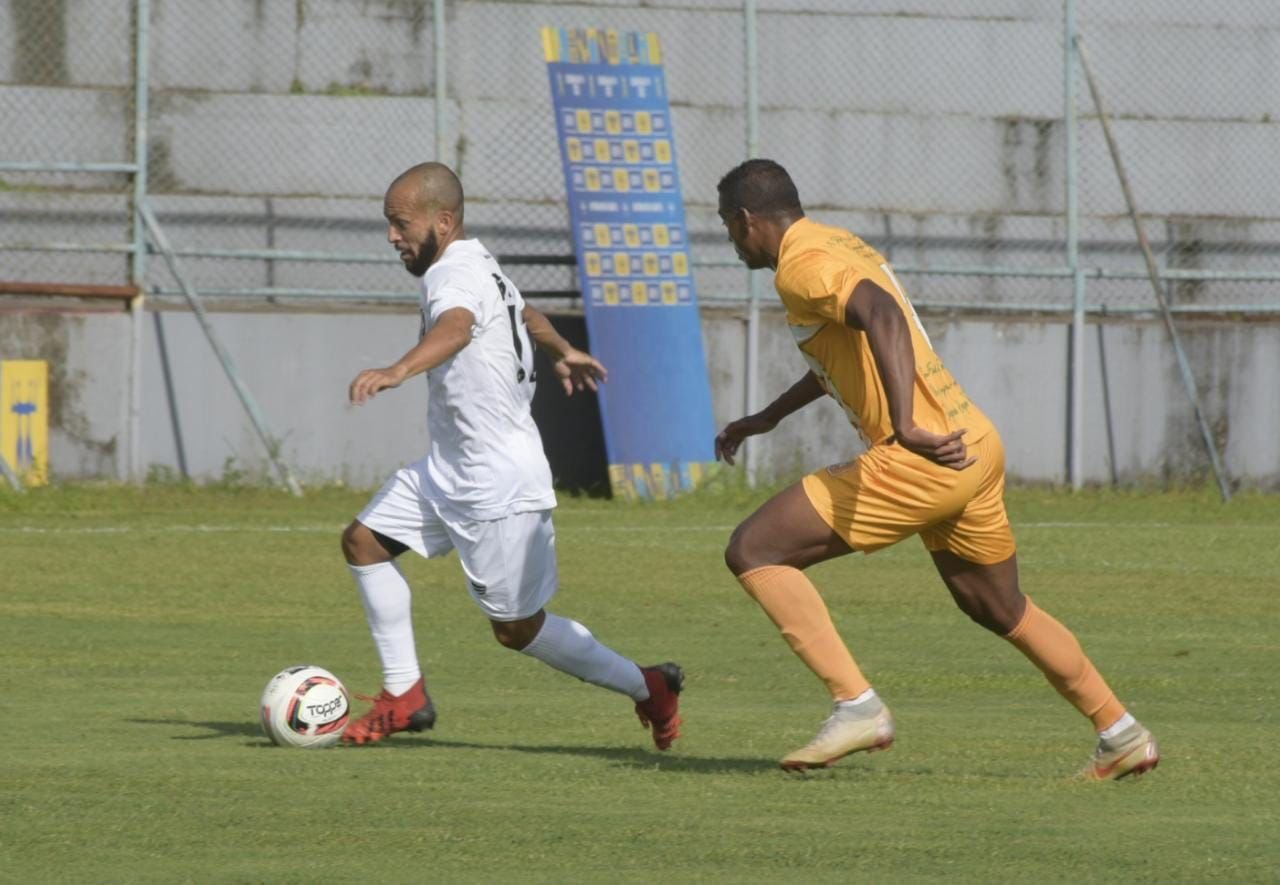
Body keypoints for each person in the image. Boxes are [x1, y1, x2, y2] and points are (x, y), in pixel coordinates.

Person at [713, 158, 1158, 779]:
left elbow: (883, 318)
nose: (732, 242)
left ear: (746, 219)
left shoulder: (801, 265)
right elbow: (844, 349)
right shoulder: (836, 241)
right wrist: (766, 417)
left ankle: (856, 705)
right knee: (997, 607)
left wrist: (904, 426)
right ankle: (1121, 732)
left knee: (755, 550)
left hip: (920, 458)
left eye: (728, 228)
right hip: (972, 443)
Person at [339, 161, 682, 749]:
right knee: (363, 542)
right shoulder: (476, 261)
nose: (393, 237)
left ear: (442, 222)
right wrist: (563, 349)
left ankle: (648, 685)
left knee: (517, 630)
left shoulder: (452, 276)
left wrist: (398, 369)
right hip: (450, 468)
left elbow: (457, 327)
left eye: (401, 224)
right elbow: (522, 311)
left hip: (497, 482)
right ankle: (405, 695)